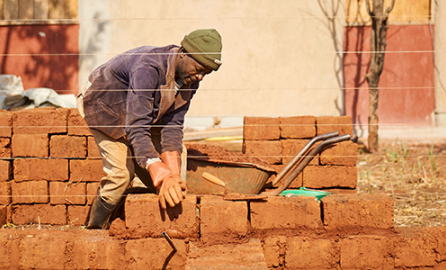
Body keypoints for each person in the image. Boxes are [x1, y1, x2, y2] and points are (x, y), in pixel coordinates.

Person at [76, 29, 223, 229]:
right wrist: (154, 166)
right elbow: (137, 127)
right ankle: (93, 229)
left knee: (174, 165)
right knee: (122, 174)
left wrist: (172, 175)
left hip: (139, 113)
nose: (201, 77)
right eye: (199, 69)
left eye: (207, 72)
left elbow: (172, 125)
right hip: (105, 107)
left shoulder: (189, 79)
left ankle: (168, 225)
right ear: (183, 53)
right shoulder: (148, 67)